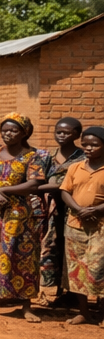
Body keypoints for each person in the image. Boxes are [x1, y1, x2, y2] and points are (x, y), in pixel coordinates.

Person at [0, 114, 47, 323]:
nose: (8, 134)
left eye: (14, 130)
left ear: (24, 133)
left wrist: (4, 189)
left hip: (19, 214)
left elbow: (34, 185)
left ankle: (25, 305)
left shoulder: (33, 156)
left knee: (21, 256)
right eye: (5, 130)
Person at [58, 127, 104, 325]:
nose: (88, 148)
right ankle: (83, 312)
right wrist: (78, 209)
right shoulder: (75, 168)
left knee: (100, 268)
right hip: (75, 224)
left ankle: (102, 312)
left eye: (94, 145)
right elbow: (65, 191)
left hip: (100, 225)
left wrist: (95, 210)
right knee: (77, 269)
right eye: (85, 144)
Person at [39, 117, 85, 304]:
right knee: (51, 248)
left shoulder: (83, 158)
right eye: (58, 131)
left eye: (66, 132)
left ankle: (73, 293)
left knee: (72, 250)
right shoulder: (47, 156)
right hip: (49, 210)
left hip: (73, 210)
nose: (61, 135)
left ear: (76, 135)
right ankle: (55, 289)